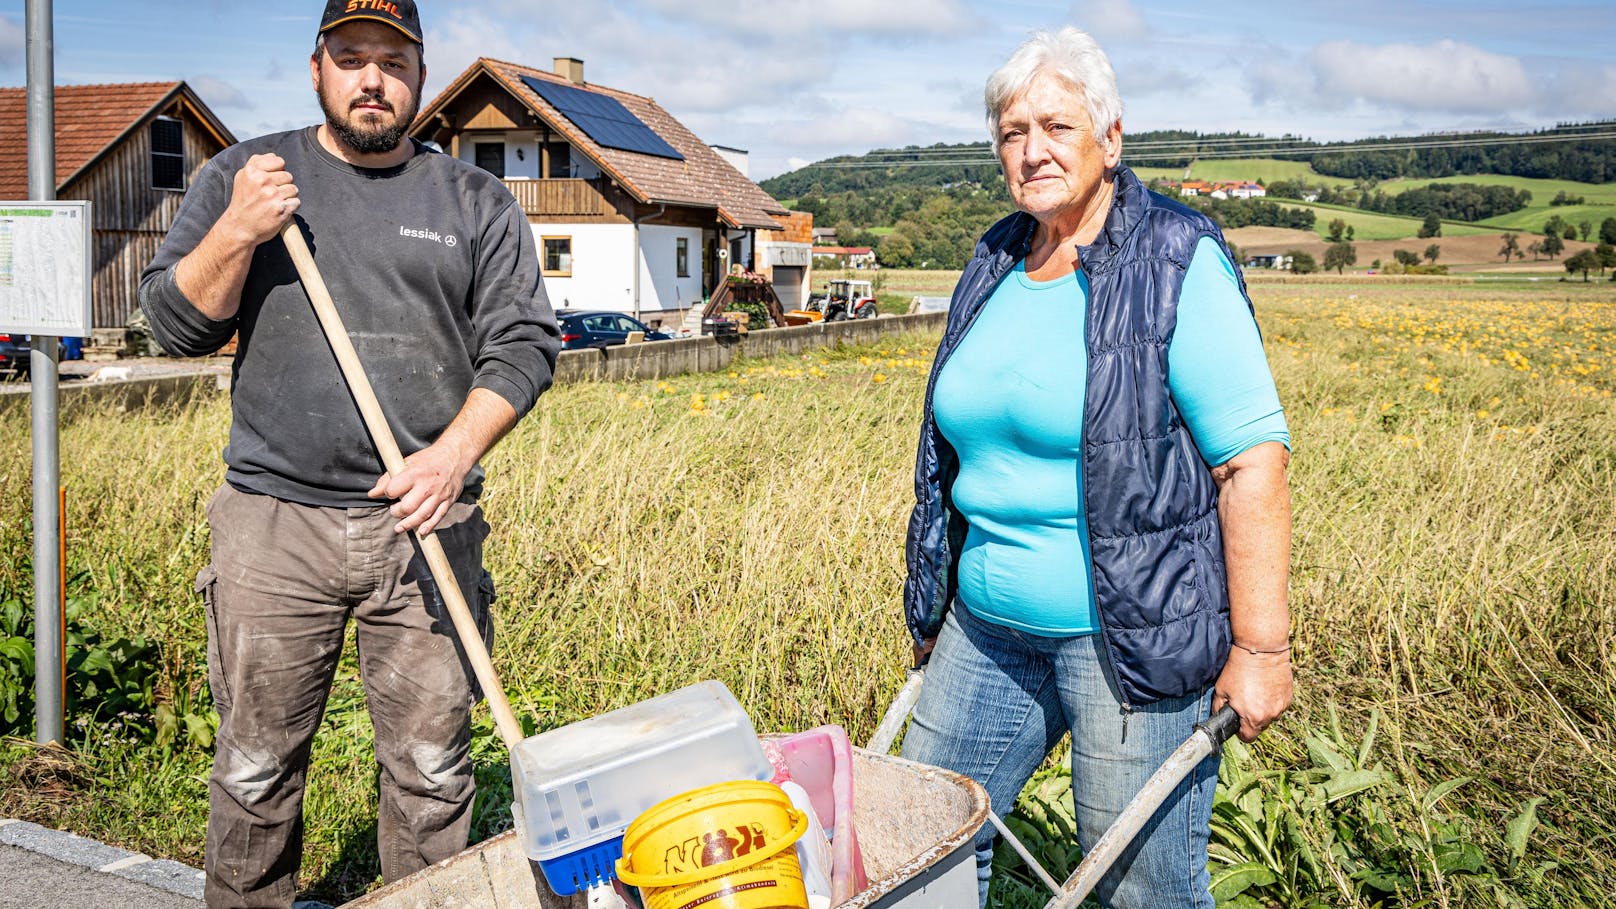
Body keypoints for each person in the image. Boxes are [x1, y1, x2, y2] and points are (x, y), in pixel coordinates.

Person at [137, 2, 559, 905]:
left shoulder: (473, 201)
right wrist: (238, 230)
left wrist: (450, 457)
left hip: (427, 529)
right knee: (254, 773)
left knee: (434, 775)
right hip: (273, 526)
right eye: (351, 56)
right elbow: (173, 326)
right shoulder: (246, 176)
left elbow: (524, 343)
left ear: (419, 72)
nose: (373, 78)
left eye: (393, 60)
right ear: (317, 67)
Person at [898, 27, 1293, 908]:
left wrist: (1262, 648)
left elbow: (1251, 462)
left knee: (1138, 888)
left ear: (1111, 139)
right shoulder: (996, 257)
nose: (1031, 149)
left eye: (1055, 126)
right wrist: (934, 600)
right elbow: (951, 452)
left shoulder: (1175, 257)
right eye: (1010, 132)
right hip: (985, 629)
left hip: (1133, 641)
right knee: (918, 853)